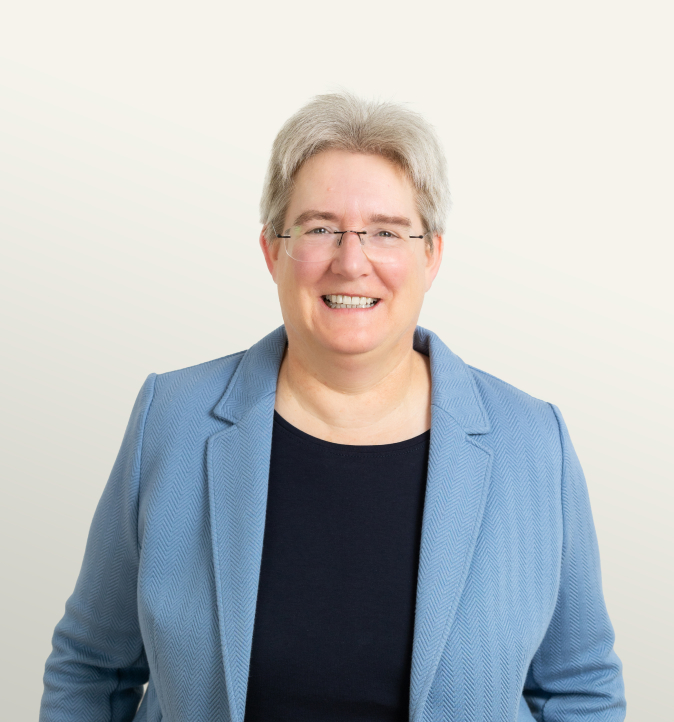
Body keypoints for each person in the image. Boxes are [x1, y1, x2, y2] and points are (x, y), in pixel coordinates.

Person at [39, 92, 626, 722]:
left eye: (385, 232)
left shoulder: (532, 441)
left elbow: (578, 688)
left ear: (431, 255)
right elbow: (93, 668)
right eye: (320, 229)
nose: (352, 262)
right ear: (272, 251)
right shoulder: (173, 420)